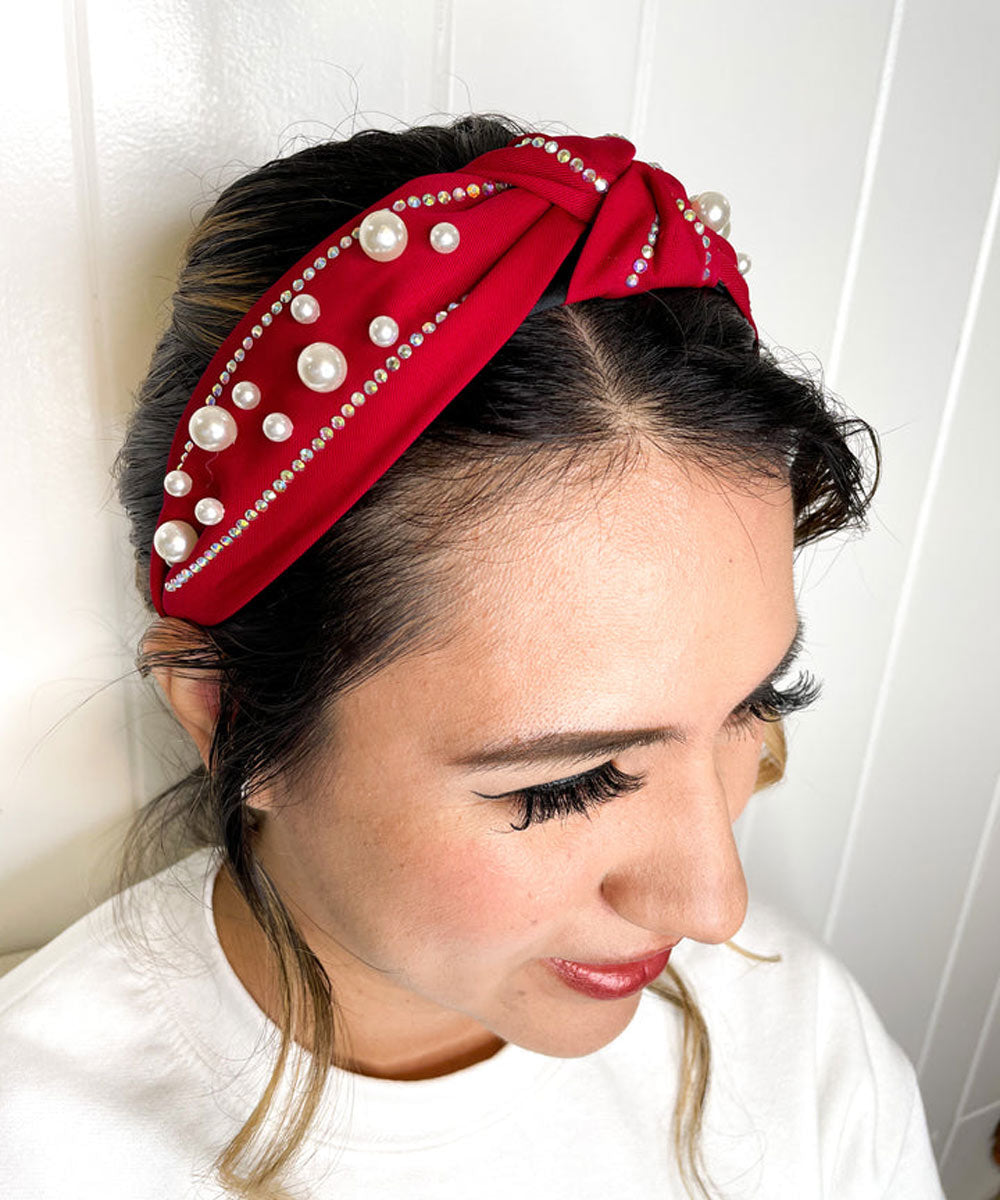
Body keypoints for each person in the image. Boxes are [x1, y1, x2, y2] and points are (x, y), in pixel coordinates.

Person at [0, 113, 945, 1199]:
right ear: (229, 711)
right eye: (571, 782)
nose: (713, 907)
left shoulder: (802, 1041)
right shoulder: (37, 1150)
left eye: (754, 701)